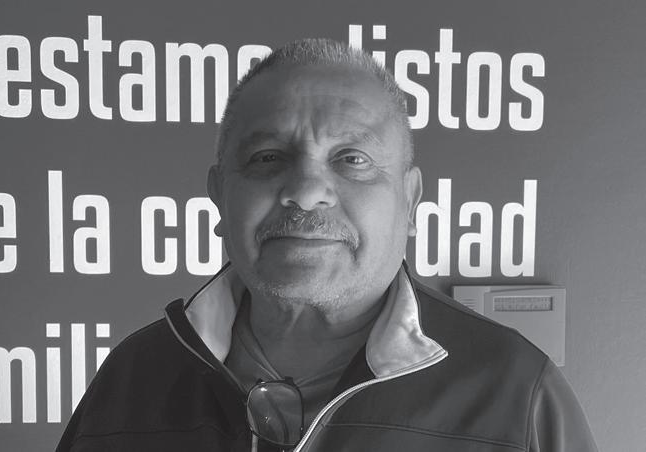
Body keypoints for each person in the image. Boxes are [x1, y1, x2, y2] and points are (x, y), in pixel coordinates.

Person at [56, 39, 598, 452]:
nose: (306, 190)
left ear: (410, 201)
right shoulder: (133, 380)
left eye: (352, 159)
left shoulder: (517, 396)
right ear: (219, 195)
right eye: (268, 157)